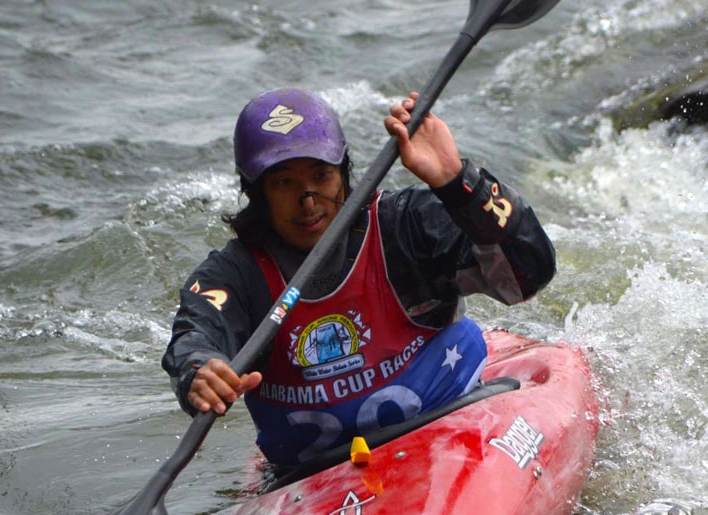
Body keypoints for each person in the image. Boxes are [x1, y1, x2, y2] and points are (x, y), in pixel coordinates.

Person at [161, 87, 556, 467]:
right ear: (256, 192)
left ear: (344, 174)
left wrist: (457, 183)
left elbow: (528, 275)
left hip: (456, 416)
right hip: (316, 474)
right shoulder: (234, 274)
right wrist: (200, 370)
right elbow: (196, 334)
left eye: (321, 175)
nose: (309, 200)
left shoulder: (406, 225)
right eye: (285, 183)